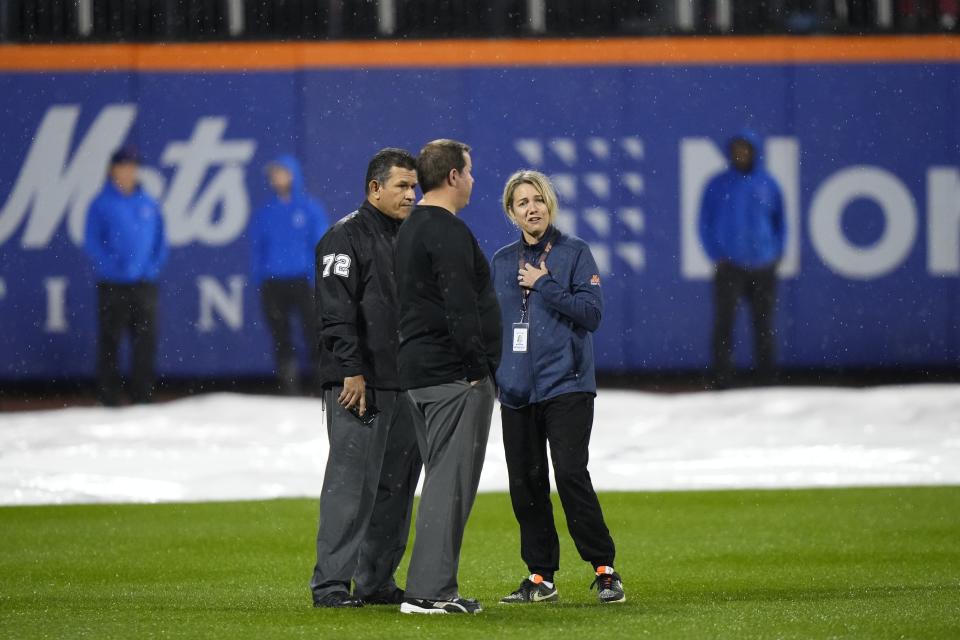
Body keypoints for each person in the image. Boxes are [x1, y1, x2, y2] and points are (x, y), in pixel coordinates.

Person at [490, 170, 625, 606]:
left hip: (566, 385)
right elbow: (493, 325)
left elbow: (592, 314)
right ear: (511, 213)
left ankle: (604, 569)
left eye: (538, 200)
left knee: (569, 475)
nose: (532, 208)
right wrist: (497, 374)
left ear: (550, 205)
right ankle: (540, 576)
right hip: (516, 392)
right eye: (522, 202)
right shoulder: (501, 261)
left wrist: (544, 284)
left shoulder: (574, 252)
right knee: (526, 484)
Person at [309, 148, 423, 608]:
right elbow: (335, 314)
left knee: (396, 490)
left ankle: (376, 581)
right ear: (375, 188)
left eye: (414, 186)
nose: (411, 194)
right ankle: (331, 585)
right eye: (402, 186)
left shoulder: (414, 236)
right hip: (361, 385)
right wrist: (351, 370)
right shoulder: (343, 238)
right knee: (351, 487)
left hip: (405, 384)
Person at [394, 139, 502, 615]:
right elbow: (460, 306)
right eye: (470, 171)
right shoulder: (447, 231)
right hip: (453, 377)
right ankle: (430, 592)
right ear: (454, 176)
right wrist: (478, 370)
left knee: (441, 479)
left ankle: (429, 587)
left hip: (420, 371)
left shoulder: (410, 227)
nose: (474, 180)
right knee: (448, 484)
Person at [698, 130, 786, 388]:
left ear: (754, 151)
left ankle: (766, 379)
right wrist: (717, 255)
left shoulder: (769, 183)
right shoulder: (717, 184)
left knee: (764, 324)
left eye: (745, 149)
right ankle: (722, 378)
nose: (741, 153)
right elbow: (704, 223)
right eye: (737, 149)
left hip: (763, 266)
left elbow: (781, 221)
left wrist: (775, 252)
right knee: (724, 323)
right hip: (729, 267)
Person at [83, 146, 168, 406]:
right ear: (112, 169)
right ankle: (108, 398)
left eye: (133, 166)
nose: (128, 171)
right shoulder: (101, 204)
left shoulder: (149, 203)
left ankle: (142, 396)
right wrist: (113, 269)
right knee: (110, 341)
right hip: (113, 285)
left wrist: (150, 269)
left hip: (144, 285)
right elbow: (93, 243)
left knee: (145, 343)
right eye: (123, 165)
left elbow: (161, 242)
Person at [249, 155, 329, 394]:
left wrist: (316, 278)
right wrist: (260, 278)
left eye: (281, 173)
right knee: (282, 339)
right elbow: (256, 248)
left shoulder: (310, 209)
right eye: (274, 174)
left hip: (304, 283)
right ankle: (289, 391)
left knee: (314, 335)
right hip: (273, 284)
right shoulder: (265, 213)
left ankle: (322, 390)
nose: (277, 178)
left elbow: (322, 244)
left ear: (293, 175)